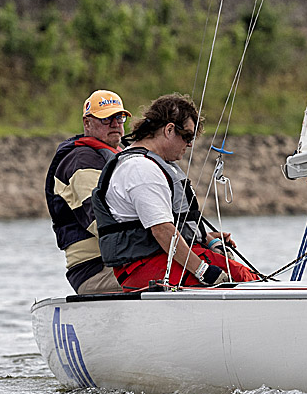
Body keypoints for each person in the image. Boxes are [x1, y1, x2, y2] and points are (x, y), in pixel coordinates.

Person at [91, 93, 259, 290]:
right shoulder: (140, 168)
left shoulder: (152, 163)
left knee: (242, 274)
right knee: (240, 278)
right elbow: (162, 230)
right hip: (144, 267)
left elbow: (166, 225)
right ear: (169, 130)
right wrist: (203, 271)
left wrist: (207, 239)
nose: (189, 144)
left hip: (158, 259)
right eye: (187, 136)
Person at [45, 90, 131, 294]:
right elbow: (99, 222)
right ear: (87, 123)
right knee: (181, 276)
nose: (115, 124)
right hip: (95, 270)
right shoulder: (81, 160)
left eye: (119, 117)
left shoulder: (122, 154)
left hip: (120, 263)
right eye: (106, 118)